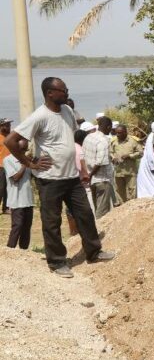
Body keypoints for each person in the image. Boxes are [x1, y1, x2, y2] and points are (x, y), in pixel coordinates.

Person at [3, 77, 114, 277]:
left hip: (71, 177)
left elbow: (68, 137)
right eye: (63, 90)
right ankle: (57, 262)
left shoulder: (67, 111)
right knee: (52, 222)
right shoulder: (39, 116)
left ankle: (93, 252)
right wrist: (30, 163)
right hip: (49, 179)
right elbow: (11, 141)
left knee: (85, 215)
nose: (67, 92)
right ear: (50, 93)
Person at [83, 116, 115, 219]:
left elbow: (83, 156)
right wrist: (90, 175)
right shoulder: (103, 141)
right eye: (111, 128)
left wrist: (88, 174)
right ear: (108, 127)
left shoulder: (89, 137)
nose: (111, 130)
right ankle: (98, 232)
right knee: (102, 211)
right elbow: (100, 162)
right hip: (102, 179)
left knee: (97, 208)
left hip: (92, 180)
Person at [4, 139, 33, 249]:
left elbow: (33, 176)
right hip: (16, 200)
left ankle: (24, 251)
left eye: (26, 150)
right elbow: (15, 178)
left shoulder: (26, 160)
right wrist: (25, 164)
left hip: (28, 200)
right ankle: (10, 249)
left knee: (27, 226)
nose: (24, 152)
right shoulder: (8, 160)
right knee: (17, 225)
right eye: (22, 150)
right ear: (15, 149)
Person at [111, 124, 143, 203]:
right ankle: (123, 208)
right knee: (119, 191)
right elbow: (110, 152)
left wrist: (130, 156)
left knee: (132, 191)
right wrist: (113, 158)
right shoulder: (114, 142)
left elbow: (141, 153)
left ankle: (132, 208)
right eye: (116, 133)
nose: (118, 135)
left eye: (120, 133)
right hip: (118, 172)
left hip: (130, 172)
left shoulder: (133, 141)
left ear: (125, 132)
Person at [137, 120, 154, 198]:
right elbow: (150, 154)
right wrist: (153, 166)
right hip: (150, 165)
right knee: (150, 185)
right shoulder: (152, 137)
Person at [0, 117, 12, 214]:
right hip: (1, 166)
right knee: (1, 187)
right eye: (7, 125)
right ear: (1, 126)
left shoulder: (11, 137)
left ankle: (6, 208)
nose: (9, 127)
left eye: (9, 125)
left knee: (8, 188)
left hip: (10, 166)